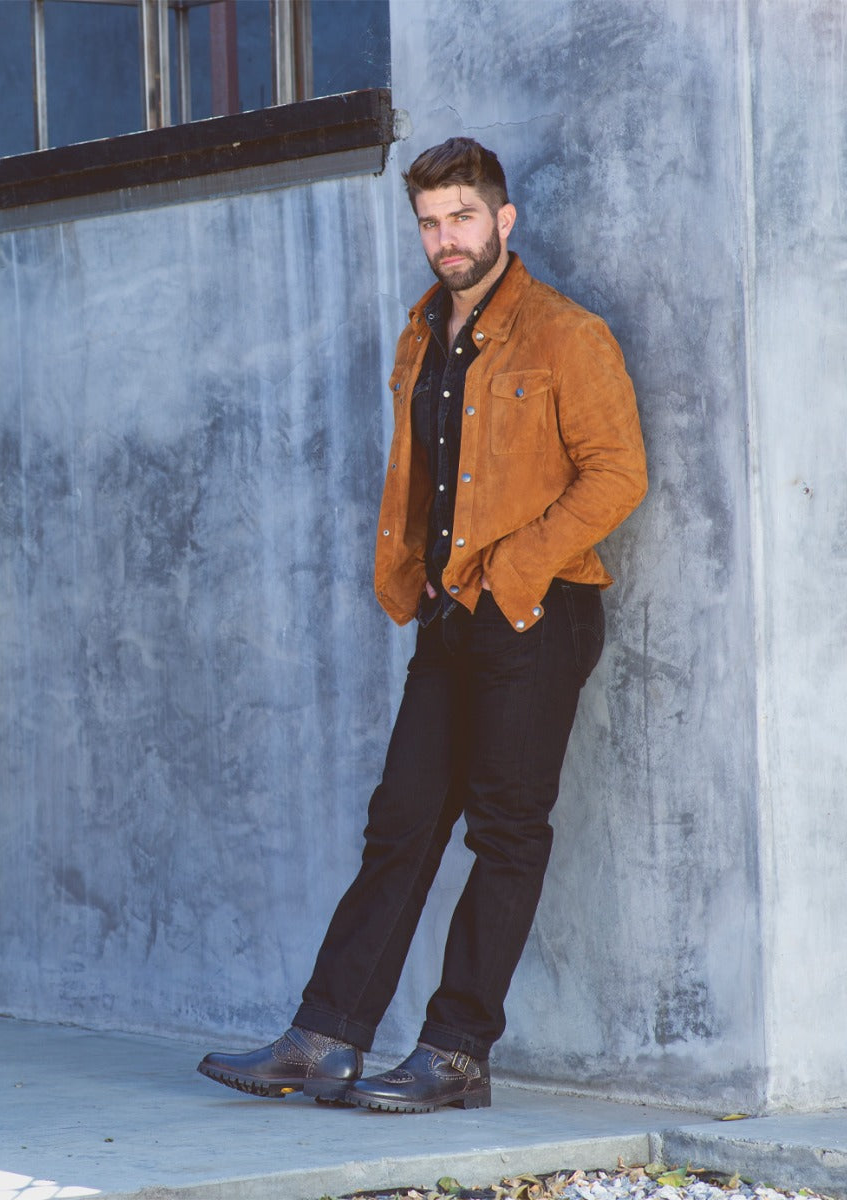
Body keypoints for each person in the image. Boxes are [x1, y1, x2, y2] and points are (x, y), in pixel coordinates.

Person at [197, 137, 648, 1113]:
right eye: (430, 223)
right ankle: (322, 1039)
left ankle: (453, 1054)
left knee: (505, 832)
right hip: (448, 614)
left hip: (536, 611)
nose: (446, 239)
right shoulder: (421, 331)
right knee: (398, 825)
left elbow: (617, 472)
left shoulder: (565, 334)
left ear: (503, 220)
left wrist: (514, 567)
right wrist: (418, 580)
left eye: (462, 218)